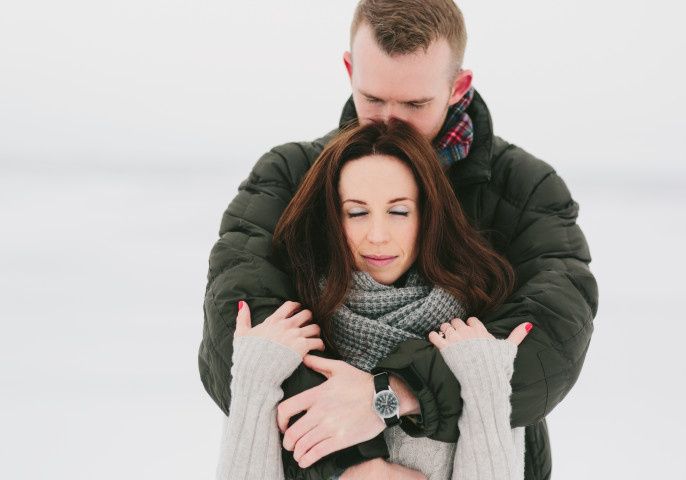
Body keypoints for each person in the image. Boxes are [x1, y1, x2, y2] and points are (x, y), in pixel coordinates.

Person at [199, 1, 598, 478]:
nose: (389, 120)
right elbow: (238, 331)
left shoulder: (524, 189)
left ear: (458, 87)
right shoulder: (288, 176)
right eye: (373, 98)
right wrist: (353, 466)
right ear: (350, 70)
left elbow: (552, 340)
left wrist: (391, 394)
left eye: (414, 104)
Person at [216, 120, 531, 480]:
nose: (378, 236)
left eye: (398, 212)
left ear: (427, 216)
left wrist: (484, 381)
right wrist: (254, 378)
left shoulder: (472, 346)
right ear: (332, 219)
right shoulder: (292, 344)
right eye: (357, 212)